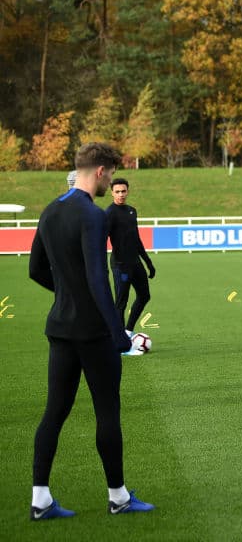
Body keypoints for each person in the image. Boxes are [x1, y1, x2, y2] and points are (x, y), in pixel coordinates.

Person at [28, 142, 154, 520]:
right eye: (112, 174)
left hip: (60, 329)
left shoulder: (50, 212)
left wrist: (67, 294)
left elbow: (35, 270)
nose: (112, 180)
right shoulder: (93, 216)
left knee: (54, 412)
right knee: (107, 412)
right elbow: (99, 280)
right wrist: (118, 333)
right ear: (99, 171)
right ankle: (118, 496)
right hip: (93, 333)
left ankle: (40, 499)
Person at [106, 178, 156, 336]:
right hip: (120, 265)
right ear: (112, 192)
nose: (121, 194)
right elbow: (101, 241)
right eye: (117, 192)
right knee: (121, 303)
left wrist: (148, 262)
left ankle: (127, 332)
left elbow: (136, 239)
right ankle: (119, 341)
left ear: (128, 191)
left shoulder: (132, 211)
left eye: (123, 191)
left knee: (144, 296)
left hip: (135, 262)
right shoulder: (109, 214)